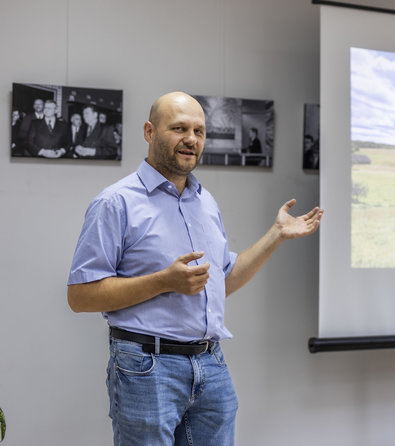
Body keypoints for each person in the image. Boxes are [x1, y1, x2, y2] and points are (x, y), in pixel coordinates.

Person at [67, 91, 323, 446]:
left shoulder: (205, 203)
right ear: (149, 131)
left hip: (210, 365)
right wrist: (164, 281)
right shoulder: (116, 202)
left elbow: (223, 280)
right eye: (179, 128)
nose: (191, 139)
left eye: (199, 131)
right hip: (146, 367)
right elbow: (80, 296)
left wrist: (276, 235)